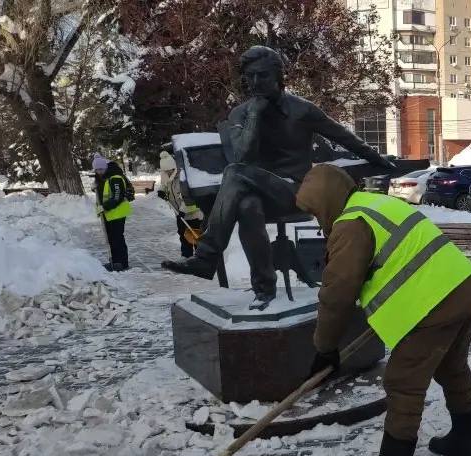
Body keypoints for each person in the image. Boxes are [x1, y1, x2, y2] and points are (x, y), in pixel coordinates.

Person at [295, 164, 471, 456]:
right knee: (451, 367)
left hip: (432, 304)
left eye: (315, 212)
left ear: (325, 201)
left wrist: (325, 348)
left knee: (403, 383)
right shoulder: (376, 204)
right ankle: (466, 437)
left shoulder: (351, 225)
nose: (317, 219)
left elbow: (337, 294)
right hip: (461, 288)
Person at [161, 46, 396, 309]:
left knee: (235, 174)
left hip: (297, 193)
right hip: (262, 194)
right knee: (247, 205)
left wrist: (380, 160)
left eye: (262, 75)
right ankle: (264, 290)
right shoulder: (241, 114)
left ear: (278, 76)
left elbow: (344, 137)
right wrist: (255, 115)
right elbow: (241, 156)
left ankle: (206, 257)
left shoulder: (302, 110)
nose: (255, 82)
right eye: (250, 76)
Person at [156, 151, 204, 258]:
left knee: (196, 237)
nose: (168, 173)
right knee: (184, 236)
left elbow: (188, 197)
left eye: (169, 171)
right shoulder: (166, 176)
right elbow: (164, 185)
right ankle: (186, 258)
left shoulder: (183, 178)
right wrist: (161, 191)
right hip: (179, 214)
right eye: (165, 171)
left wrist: (182, 210)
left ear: (174, 168)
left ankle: (201, 259)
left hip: (194, 215)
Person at [93, 154, 131, 272]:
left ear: (106, 167)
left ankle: (122, 263)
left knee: (117, 238)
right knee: (111, 238)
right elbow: (102, 195)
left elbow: (117, 197)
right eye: (97, 170)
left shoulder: (115, 178)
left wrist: (104, 207)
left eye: (101, 169)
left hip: (118, 212)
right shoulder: (103, 178)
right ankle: (115, 261)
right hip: (108, 213)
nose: (99, 172)